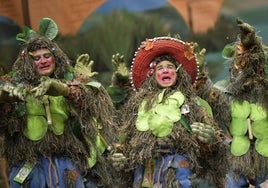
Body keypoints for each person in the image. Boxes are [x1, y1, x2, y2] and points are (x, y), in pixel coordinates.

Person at [0, 18, 118, 188]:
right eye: (37, 58)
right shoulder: (14, 85)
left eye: (47, 56)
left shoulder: (71, 82)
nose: (43, 61)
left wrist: (63, 89)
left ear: (56, 58)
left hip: (66, 165)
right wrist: (5, 99)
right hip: (30, 165)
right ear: (28, 63)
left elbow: (93, 104)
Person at [111, 37, 227, 188]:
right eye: (159, 68)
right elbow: (125, 143)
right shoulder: (138, 106)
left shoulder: (193, 103)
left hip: (181, 175)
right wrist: (121, 157)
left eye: (170, 67)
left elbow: (216, 143)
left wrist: (210, 139)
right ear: (152, 75)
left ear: (179, 73)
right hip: (147, 176)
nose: (165, 70)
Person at [194, 18, 268, 187]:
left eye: (248, 58)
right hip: (234, 161)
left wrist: (253, 45)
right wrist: (200, 73)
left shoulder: (264, 91)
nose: (241, 64)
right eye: (238, 58)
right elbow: (209, 95)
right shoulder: (224, 90)